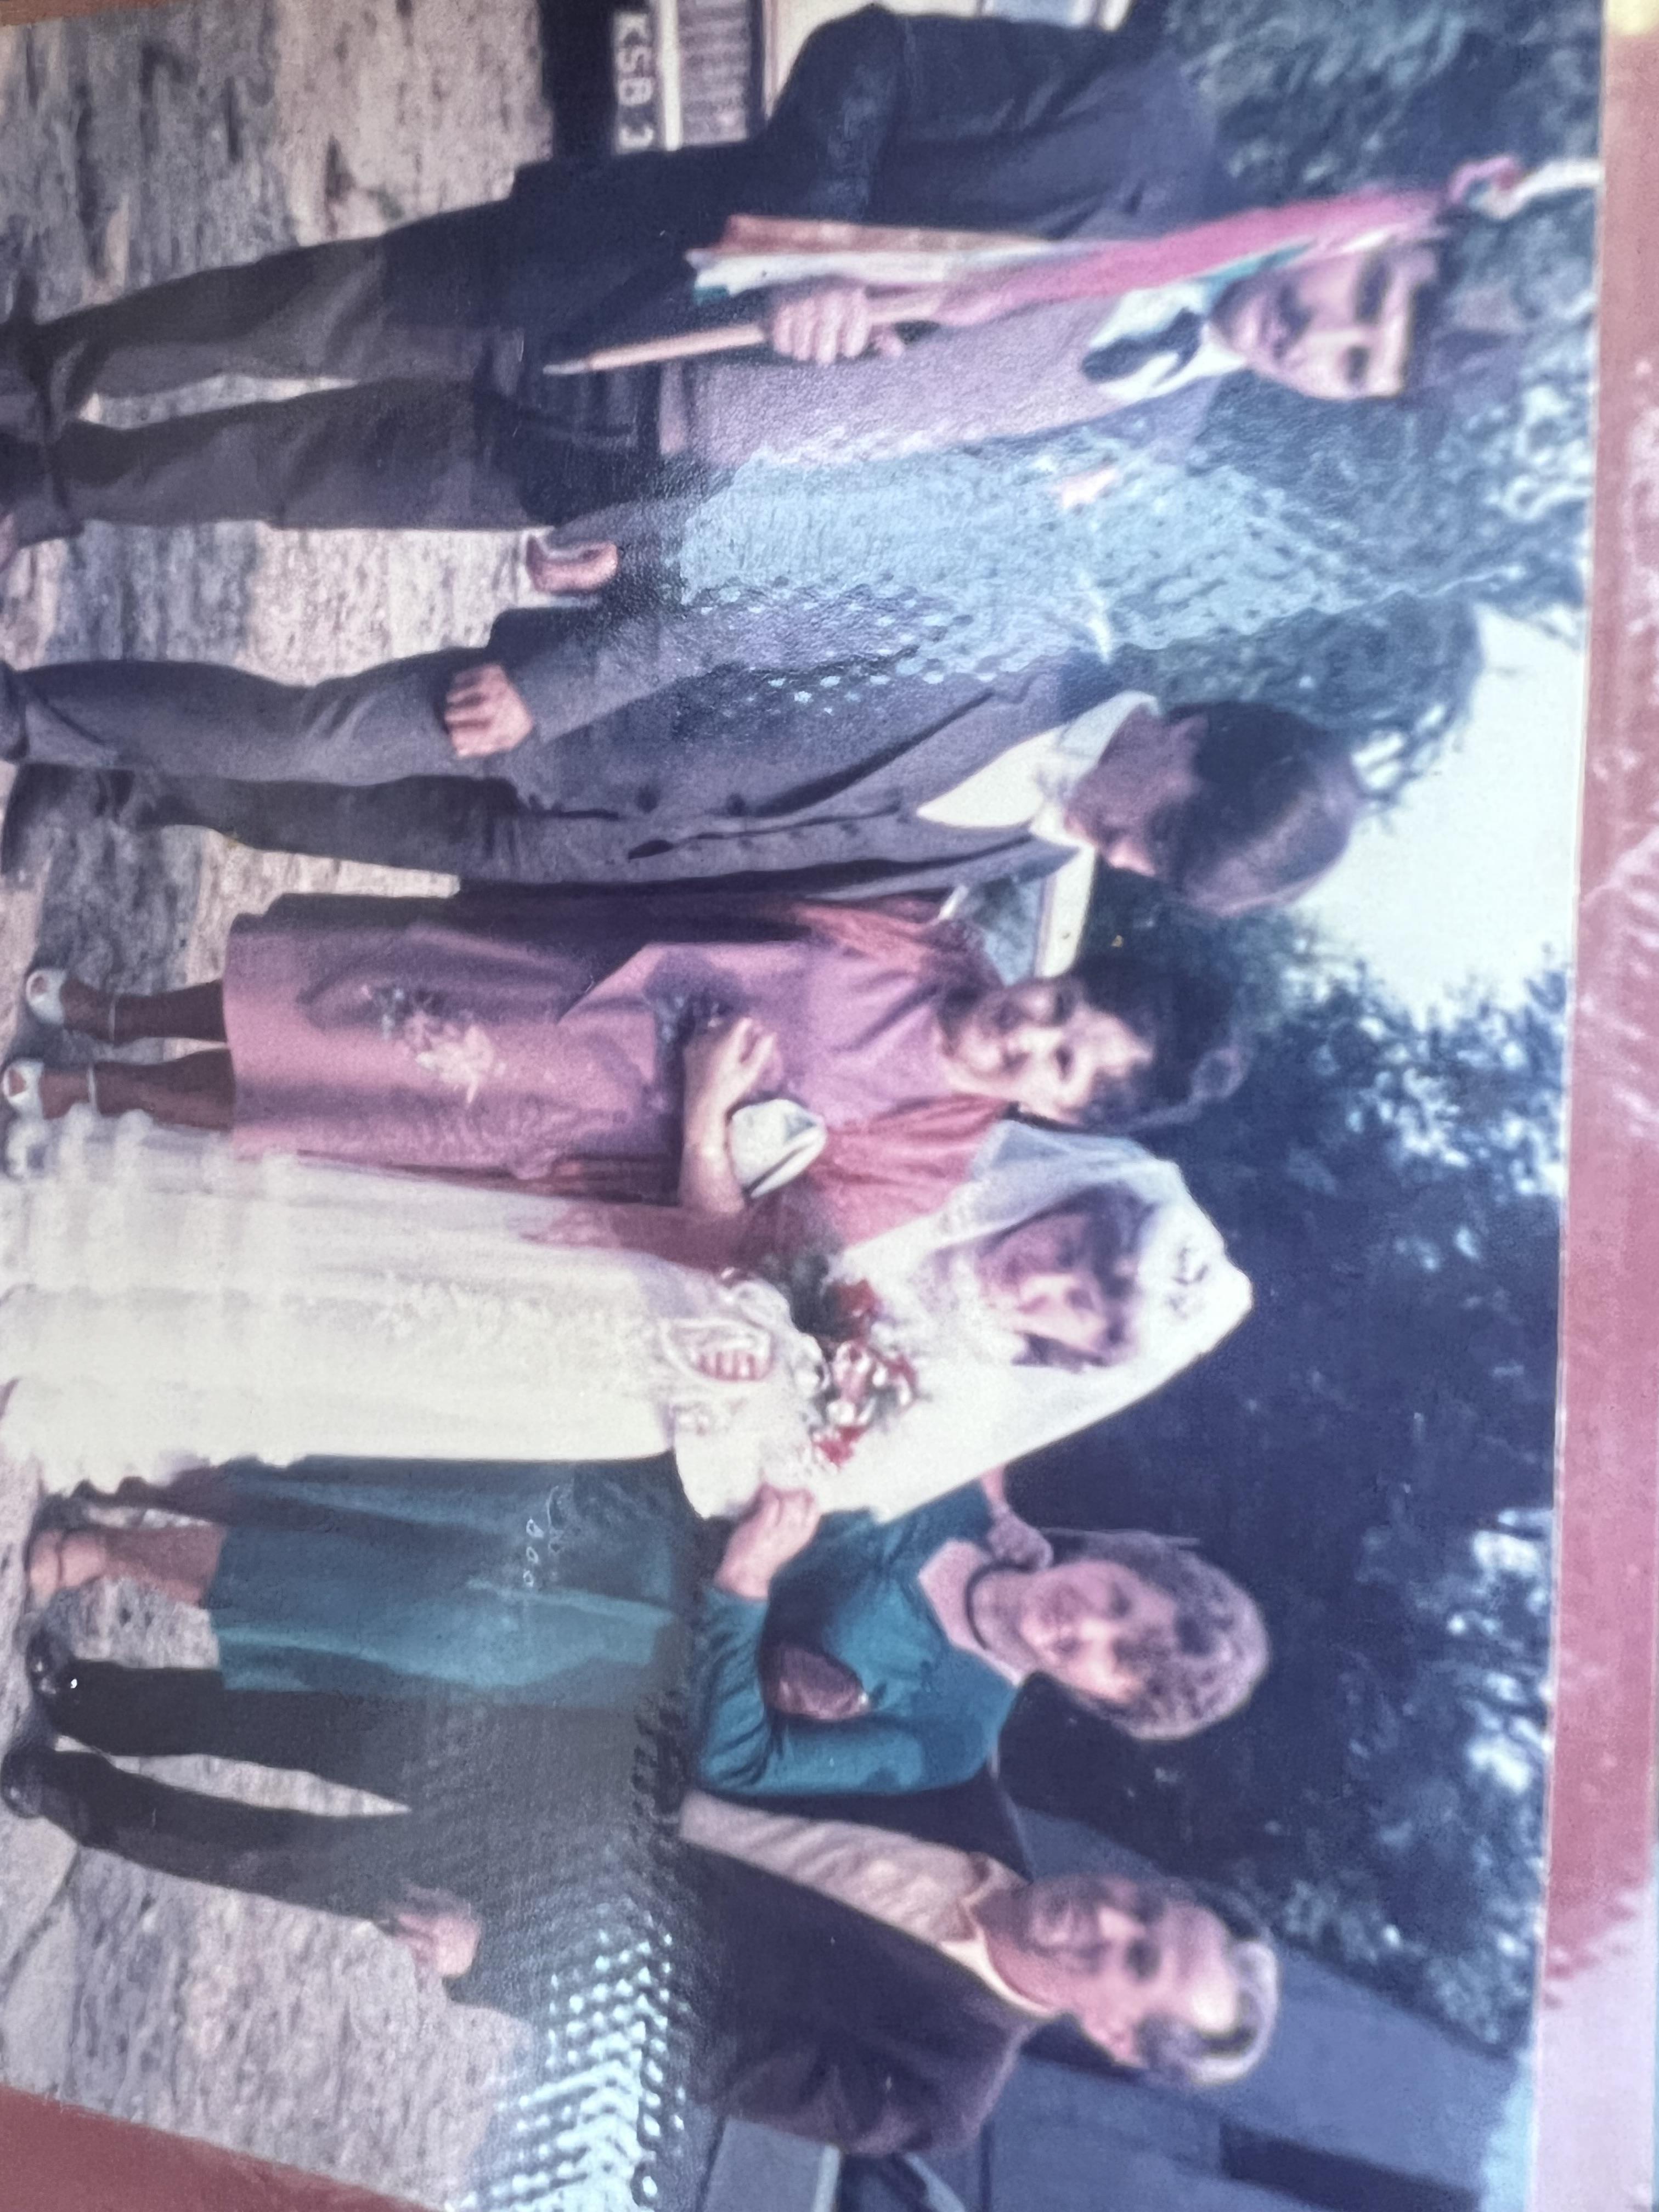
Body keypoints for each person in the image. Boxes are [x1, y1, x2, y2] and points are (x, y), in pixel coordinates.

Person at [0, 6, 1474, 563]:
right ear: (1364, 226)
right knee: (296, 315)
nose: (1323, 337)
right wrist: (813, 241)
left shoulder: (1156, 439)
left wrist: (652, 549)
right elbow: (869, 57)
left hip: (636, 455)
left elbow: (914, 506)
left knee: (305, 477)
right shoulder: (1141, 125)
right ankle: (53, 364)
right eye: (1367, 299)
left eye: (1355, 366)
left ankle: (54, 495)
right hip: (622, 274)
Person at [0, 1708, 1280, 2152]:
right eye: (1145, 1906)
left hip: (560, 1905)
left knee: (295, 1858)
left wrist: (495, 1961)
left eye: (1134, 1962)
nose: (1109, 1917)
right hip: (597, 1755)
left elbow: (703, 2049)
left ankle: (62, 1792)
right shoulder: (968, 1787)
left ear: (1117, 2034)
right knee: (322, 1723)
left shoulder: (940, 2084)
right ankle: (93, 1694)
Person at [0, 1107, 1248, 1516]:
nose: (1050, 1277)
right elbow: (776, 1173)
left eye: (1080, 1305)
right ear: (1068, 1201)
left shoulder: (964, 1405)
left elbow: (799, 1473)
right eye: (1075, 1246)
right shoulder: (935, 1179)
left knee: (350, 1349)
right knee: (348, 1238)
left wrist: (765, 1391)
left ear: (1078, 1353)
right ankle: (61, 1236)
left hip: (596, 1386)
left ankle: (64, 1356)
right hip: (604, 1250)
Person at [0, 898, 1238, 1221]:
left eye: (1064, 1064)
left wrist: (707, 1115)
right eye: (1061, 1002)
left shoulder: (923, 1161)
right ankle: (116, 1010)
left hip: (562, 1117)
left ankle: (97, 1091)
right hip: (559, 984)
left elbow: (745, 1242)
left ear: (1067, 1116)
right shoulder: (924, 936)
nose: (1031, 1031)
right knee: (318, 991)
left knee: (319, 1095)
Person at [0, 620, 1361, 911]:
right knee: (313, 733)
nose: (1126, 856)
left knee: (293, 815)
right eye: (1160, 831)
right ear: (1189, 735)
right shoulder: (1028, 634)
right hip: (573, 720)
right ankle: (32, 715)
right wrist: (557, 682)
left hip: (580, 846)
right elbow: (770, 590)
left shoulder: (1030, 853)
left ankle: (109, 769)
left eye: (1156, 872)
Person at [689, 1481, 1268, 1799]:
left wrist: (744, 1585)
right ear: (1115, 1558)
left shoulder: (955, 1736)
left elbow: (737, 1762)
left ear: (1105, 1702)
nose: (1088, 1623)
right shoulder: (966, 1500)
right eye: (1118, 1600)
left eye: (1117, 1656)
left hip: (622, 1626)